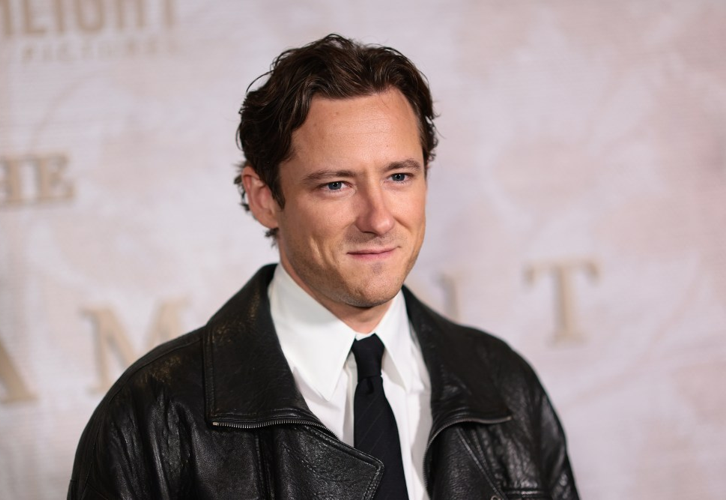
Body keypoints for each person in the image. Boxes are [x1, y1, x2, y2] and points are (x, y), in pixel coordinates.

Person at [68, 34, 579, 500]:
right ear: (265, 198)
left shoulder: (504, 385)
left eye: (399, 176)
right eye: (336, 185)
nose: (379, 219)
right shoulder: (154, 416)